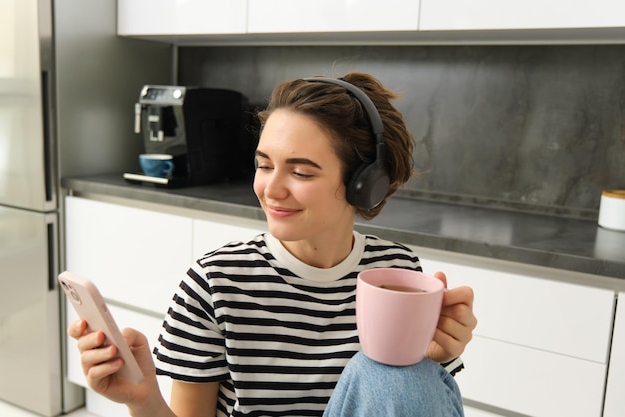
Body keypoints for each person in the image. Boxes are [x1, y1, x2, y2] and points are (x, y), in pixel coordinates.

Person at [69, 72, 477, 417]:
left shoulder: (398, 272)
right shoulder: (216, 281)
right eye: (264, 165)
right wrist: (143, 402)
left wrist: (433, 357)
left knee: (401, 375)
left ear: (364, 183)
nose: (270, 189)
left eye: (300, 171)